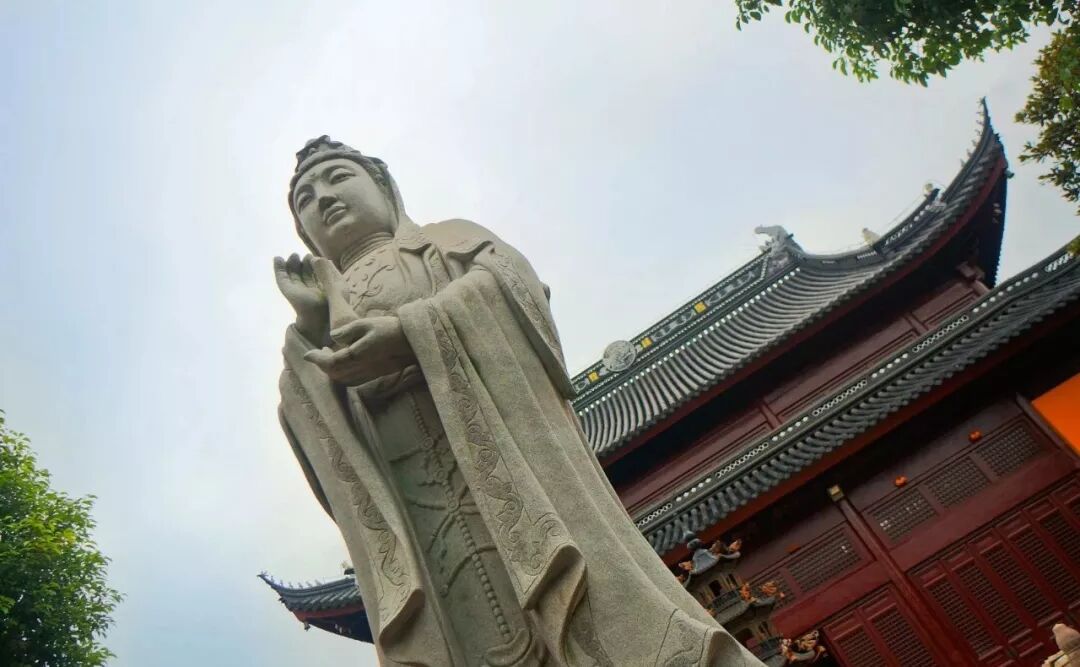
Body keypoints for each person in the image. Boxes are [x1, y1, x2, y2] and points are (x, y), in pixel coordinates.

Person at [274, 136, 763, 666]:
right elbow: (310, 424)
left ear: (384, 188)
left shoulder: (447, 241)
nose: (324, 198)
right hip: (421, 519)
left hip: (513, 476)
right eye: (306, 198)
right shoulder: (315, 320)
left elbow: (517, 292)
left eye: (339, 177)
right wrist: (312, 328)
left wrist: (409, 333)